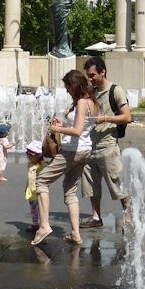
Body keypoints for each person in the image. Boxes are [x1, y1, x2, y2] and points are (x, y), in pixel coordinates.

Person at [32, 68, 99, 245]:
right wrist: (64, 123)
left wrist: (56, 129)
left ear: (75, 85)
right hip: (85, 151)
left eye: (68, 87)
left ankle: (44, 225)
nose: (67, 91)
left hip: (72, 151)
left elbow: (77, 131)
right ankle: (76, 234)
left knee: (41, 180)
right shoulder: (93, 102)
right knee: (70, 190)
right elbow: (82, 127)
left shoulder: (82, 103)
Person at [81, 56, 133, 229]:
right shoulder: (92, 92)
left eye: (93, 75)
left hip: (108, 145)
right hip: (90, 145)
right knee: (91, 185)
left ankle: (128, 216)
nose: (90, 79)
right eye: (88, 75)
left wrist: (104, 118)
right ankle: (96, 217)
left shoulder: (115, 91)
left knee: (117, 183)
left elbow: (127, 117)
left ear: (103, 72)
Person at [23, 140, 47, 232]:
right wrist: (26, 186)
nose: (29, 157)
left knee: (41, 210)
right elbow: (29, 178)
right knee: (33, 210)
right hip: (31, 192)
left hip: (38, 192)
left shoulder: (42, 166)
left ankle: (43, 225)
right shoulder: (30, 165)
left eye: (31, 155)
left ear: (39, 155)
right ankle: (35, 224)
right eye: (27, 154)